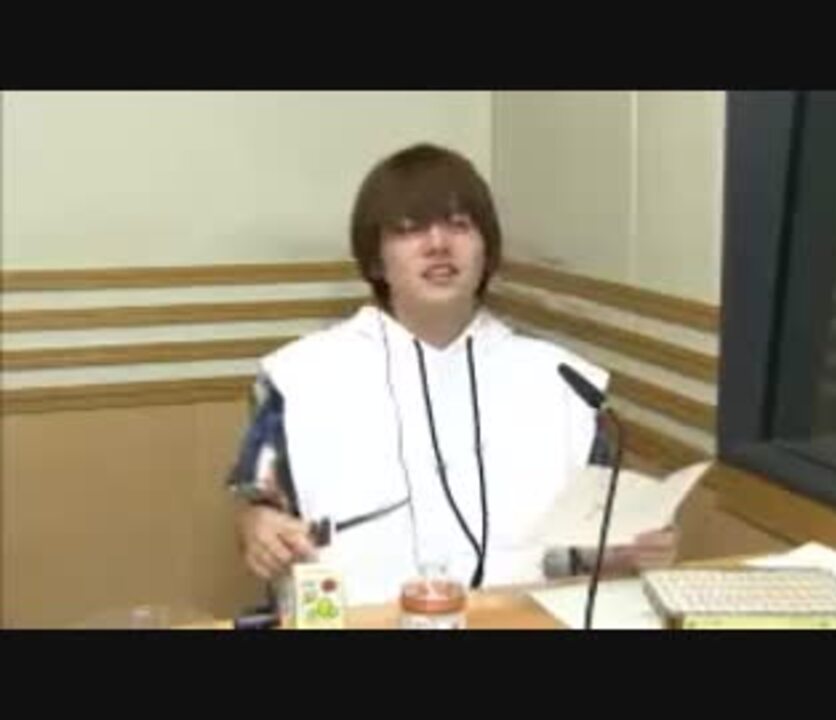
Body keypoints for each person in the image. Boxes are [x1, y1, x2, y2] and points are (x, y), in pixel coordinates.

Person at [227, 143, 677, 607]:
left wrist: (626, 551)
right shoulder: (300, 376)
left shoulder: (562, 382)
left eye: (459, 225)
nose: (438, 244)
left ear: (487, 251)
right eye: (409, 229)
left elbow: (582, 551)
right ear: (377, 260)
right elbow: (259, 511)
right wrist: (257, 529)